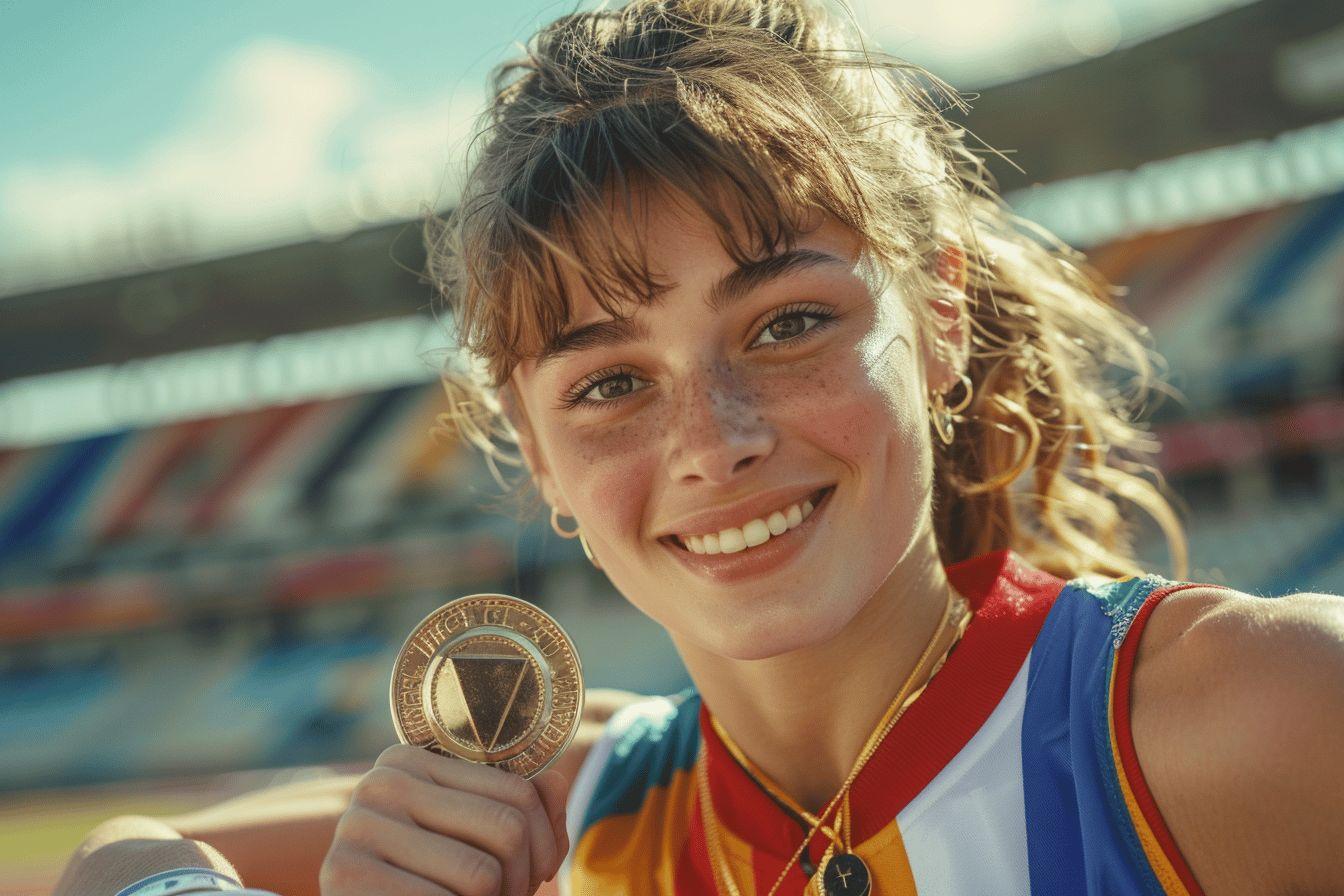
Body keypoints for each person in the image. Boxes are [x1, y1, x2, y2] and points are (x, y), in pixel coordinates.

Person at [58, 0, 1344, 894]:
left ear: (938, 319)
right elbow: (117, 849)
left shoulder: (1252, 713)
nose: (712, 441)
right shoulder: (569, 802)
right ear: (538, 456)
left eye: (788, 323)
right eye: (611, 381)